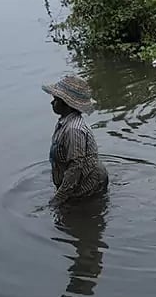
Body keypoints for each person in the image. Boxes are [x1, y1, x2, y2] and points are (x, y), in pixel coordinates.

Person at [43, 75, 109, 207]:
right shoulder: (64, 123)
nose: (52, 103)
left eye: (56, 100)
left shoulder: (74, 129)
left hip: (88, 185)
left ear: (67, 105)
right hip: (79, 181)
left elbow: (75, 167)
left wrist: (58, 198)